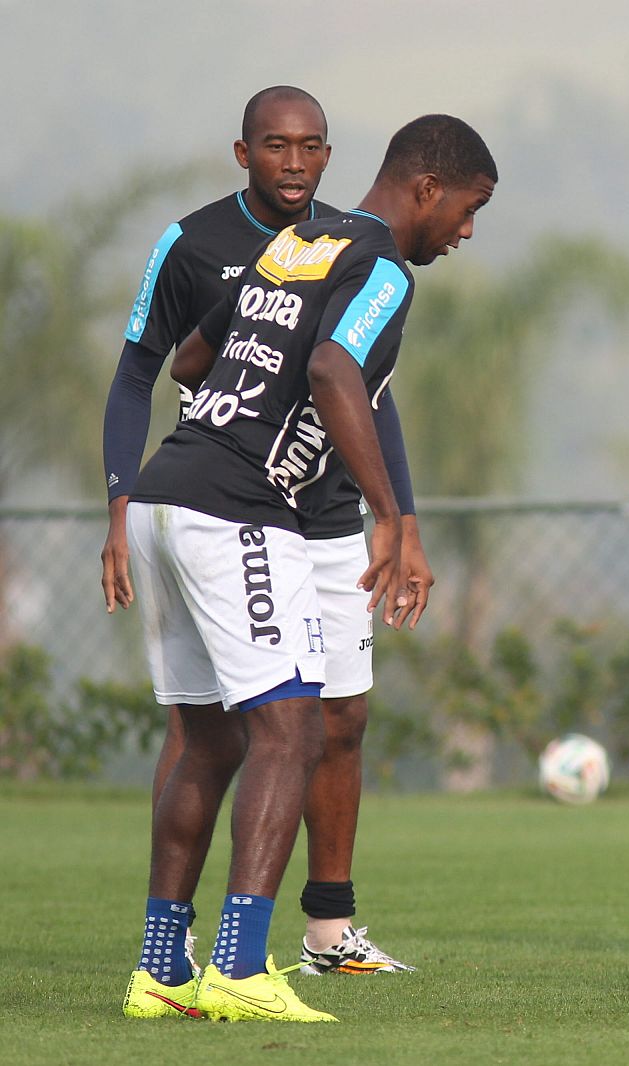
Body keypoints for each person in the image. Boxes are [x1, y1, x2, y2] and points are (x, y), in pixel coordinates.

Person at [119, 114, 497, 1023]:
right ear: (426, 189)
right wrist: (392, 515)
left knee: (209, 741)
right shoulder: (380, 267)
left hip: (162, 494)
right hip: (234, 510)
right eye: (470, 209)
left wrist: (241, 403)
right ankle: (243, 968)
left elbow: (194, 357)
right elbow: (334, 369)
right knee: (288, 735)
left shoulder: (297, 241)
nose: (467, 231)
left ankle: (161, 972)